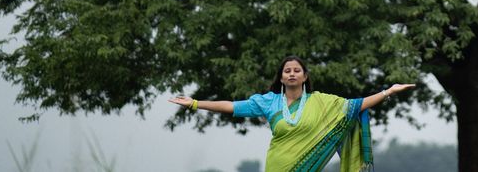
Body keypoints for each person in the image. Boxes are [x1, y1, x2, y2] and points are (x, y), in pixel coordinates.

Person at [169, 55, 415, 172]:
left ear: (305, 76)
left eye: (297, 70)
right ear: (281, 76)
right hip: (278, 166)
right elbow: (231, 106)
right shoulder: (269, 102)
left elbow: (355, 105)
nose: (292, 73)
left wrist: (388, 92)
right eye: (287, 70)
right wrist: (195, 103)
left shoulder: (322, 102)